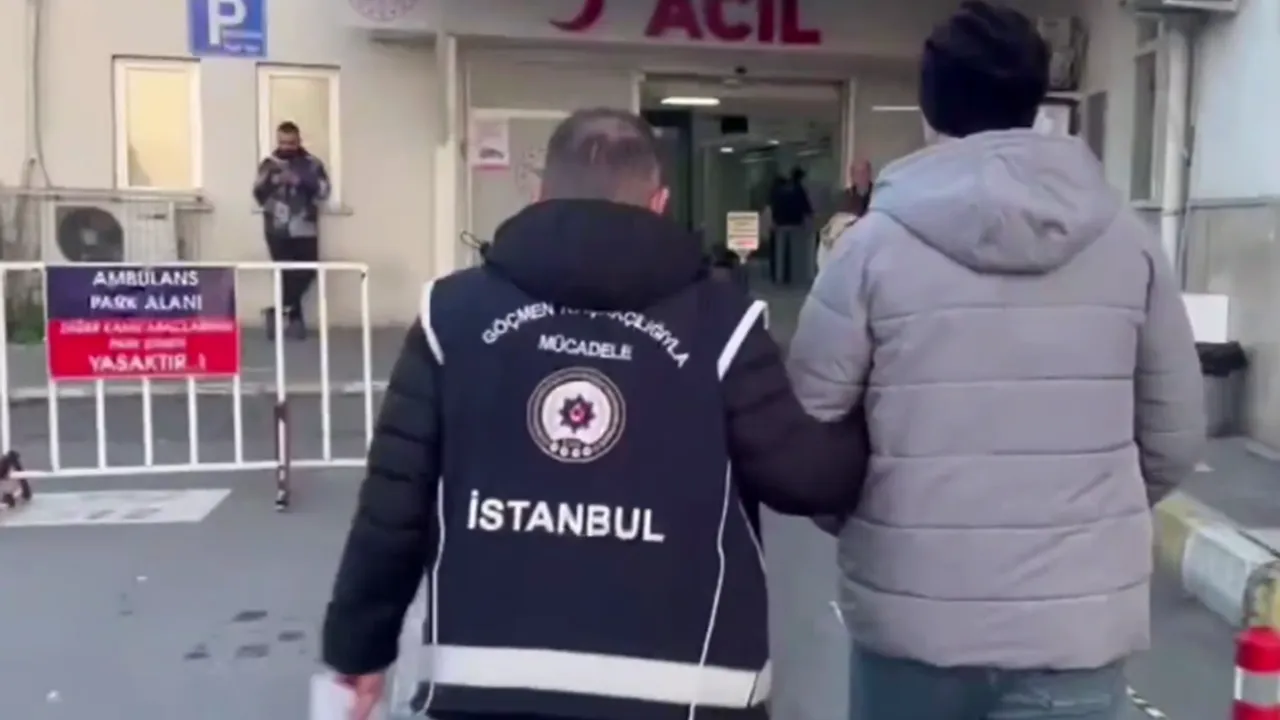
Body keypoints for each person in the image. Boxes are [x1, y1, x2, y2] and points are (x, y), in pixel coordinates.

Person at [322, 108, 869, 720]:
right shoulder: (724, 325)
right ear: (659, 203)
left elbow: (392, 506)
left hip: (485, 684)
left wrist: (357, 649)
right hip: (688, 692)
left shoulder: (451, 316)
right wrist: (877, 412)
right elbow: (803, 477)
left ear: (539, 195)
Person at [786, 3, 1206, 719]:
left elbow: (807, 434)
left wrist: (869, 519)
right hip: (1071, 633)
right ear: (1035, 101)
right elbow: (1174, 437)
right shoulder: (1128, 243)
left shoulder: (869, 249)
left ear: (929, 108)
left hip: (912, 624)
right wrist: (1088, 524)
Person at [253, 120, 330, 340]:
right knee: (285, 274)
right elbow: (258, 194)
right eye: (283, 142)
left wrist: (301, 181)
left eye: (291, 143)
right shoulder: (269, 164)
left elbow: (324, 191)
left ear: (299, 141)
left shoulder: (312, 164)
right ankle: (295, 320)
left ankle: (278, 311)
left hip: (305, 228)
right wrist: (276, 180)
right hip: (276, 229)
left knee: (308, 271)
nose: (286, 147)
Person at [768, 167, 814, 287]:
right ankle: (794, 277)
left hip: (780, 223)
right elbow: (806, 207)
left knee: (780, 252)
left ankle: (779, 278)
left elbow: (774, 205)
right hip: (795, 224)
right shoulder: (799, 190)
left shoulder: (779, 189)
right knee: (794, 252)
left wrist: (774, 220)